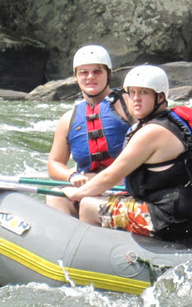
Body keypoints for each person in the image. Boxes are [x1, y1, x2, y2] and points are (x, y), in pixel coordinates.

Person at [62, 65, 192, 242]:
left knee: (88, 205)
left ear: (160, 97)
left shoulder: (152, 132)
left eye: (144, 93)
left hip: (171, 220)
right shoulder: (172, 121)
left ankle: (93, 255)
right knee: (105, 197)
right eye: (132, 93)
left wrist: (77, 194)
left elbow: (109, 177)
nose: (136, 99)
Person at [46, 45, 133, 215]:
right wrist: (72, 176)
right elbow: (54, 163)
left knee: (88, 203)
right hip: (88, 188)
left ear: (109, 73)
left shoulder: (129, 104)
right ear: (76, 76)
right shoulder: (68, 119)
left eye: (97, 71)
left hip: (125, 187)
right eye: (83, 72)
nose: (90, 77)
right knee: (55, 196)